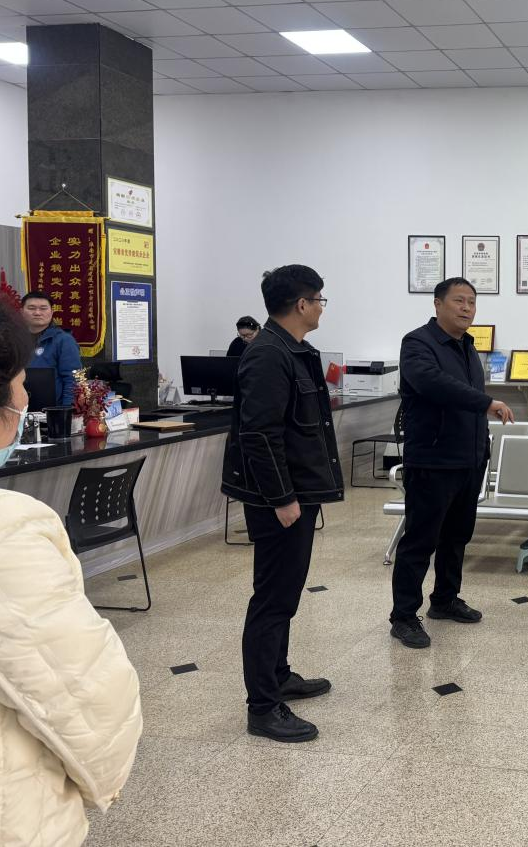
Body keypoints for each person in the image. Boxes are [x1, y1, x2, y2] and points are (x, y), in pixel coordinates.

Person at [0, 292, 142, 845]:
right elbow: (84, 695)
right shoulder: (2, 531)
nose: (26, 398)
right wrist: (107, 780)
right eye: (19, 385)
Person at [222, 265, 343, 743]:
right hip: (280, 500)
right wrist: (283, 498)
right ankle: (263, 707)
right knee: (272, 599)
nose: (322, 308)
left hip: (295, 493)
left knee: (286, 593)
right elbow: (259, 435)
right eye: (319, 300)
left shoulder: (294, 350)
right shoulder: (268, 355)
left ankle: (279, 675)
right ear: (302, 304)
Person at [390, 277, 515, 650]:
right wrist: (486, 403)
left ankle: (444, 600)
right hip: (433, 459)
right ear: (437, 303)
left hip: (469, 459)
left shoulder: (468, 346)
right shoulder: (418, 344)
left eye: (472, 302)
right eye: (459, 300)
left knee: (457, 536)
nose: (466, 308)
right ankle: (403, 616)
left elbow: (466, 398)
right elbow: (433, 384)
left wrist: (482, 447)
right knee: (420, 540)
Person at [21, 289, 81, 406]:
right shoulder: (13, 339)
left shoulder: (64, 340)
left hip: (51, 411)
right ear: (21, 312)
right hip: (18, 410)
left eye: (43, 308)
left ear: (52, 312)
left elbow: (72, 379)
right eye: (31, 308)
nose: (37, 313)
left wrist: (66, 411)